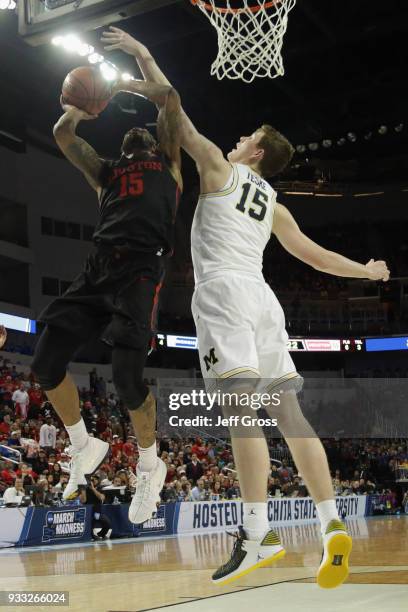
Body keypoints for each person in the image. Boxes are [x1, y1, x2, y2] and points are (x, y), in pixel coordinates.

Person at [102, 27, 391, 588]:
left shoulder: (217, 166)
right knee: (290, 415)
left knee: (240, 413)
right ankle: (331, 521)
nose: (236, 138)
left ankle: (256, 534)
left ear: (255, 152)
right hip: (265, 300)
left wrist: (143, 54)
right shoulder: (275, 205)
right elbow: (317, 257)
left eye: (246, 136)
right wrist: (369, 271)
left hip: (226, 295)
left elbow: (173, 110)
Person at [31, 75, 182, 527]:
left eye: (144, 133)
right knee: (45, 362)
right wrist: (82, 108)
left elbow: (169, 99)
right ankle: (83, 444)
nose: (138, 134)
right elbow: (63, 134)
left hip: (140, 272)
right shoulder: (106, 171)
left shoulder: (170, 164)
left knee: (127, 378)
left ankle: (150, 466)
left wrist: (129, 84)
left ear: (153, 144)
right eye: (129, 133)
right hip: (98, 268)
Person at [79, 475, 112, 540]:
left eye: (95, 479)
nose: (93, 481)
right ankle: (92, 536)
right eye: (92, 480)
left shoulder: (100, 488)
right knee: (90, 524)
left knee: (107, 522)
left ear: (98, 480)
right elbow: (83, 500)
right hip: (88, 511)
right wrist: (83, 490)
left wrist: (93, 489)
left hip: (97, 511)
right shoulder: (85, 489)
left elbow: (102, 498)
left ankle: (101, 534)